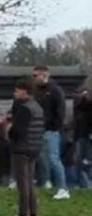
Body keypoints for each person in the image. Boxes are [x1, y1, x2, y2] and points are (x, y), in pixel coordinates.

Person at [4, 79, 45, 216]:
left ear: (24, 91)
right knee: (30, 184)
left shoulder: (24, 109)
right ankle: (34, 215)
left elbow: (17, 131)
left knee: (22, 184)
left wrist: (9, 130)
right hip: (34, 147)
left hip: (21, 148)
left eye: (17, 90)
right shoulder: (37, 107)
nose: (14, 93)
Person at [33, 65, 70, 199]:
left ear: (44, 75)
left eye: (36, 75)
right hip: (40, 129)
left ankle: (63, 188)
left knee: (54, 159)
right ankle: (46, 182)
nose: (34, 78)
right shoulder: (37, 91)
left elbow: (60, 111)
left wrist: (54, 126)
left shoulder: (55, 90)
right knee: (43, 158)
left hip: (51, 130)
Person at [72, 88, 92, 188]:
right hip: (81, 135)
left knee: (85, 160)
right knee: (80, 160)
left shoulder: (84, 107)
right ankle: (83, 183)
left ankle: (87, 183)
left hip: (86, 135)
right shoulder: (80, 107)